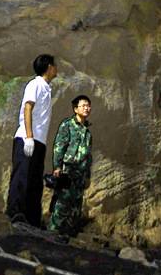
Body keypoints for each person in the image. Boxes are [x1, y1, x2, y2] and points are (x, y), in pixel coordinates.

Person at [6, 53, 57, 226]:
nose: (56, 69)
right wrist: (29, 137)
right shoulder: (35, 84)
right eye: (54, 66)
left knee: (35, 181)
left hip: (39, 141)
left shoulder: (46, 88)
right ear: (49, 67)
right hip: (27, 139)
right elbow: (28, 108)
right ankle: (15, 215)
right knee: (21, 177)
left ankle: (32, 219)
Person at [48, 94, 92, 237]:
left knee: (75, 208)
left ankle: (69, 238)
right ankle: (51, 235)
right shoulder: (67, 125)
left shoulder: (87, 132)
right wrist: (57, 167)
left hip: (80, 175)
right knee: (62, 204)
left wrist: (87, 176)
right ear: (75, 109)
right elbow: (59, 147)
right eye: (83, 105)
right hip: (67, 171)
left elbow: (88, 156)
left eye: (88, 105)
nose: (87, 108)